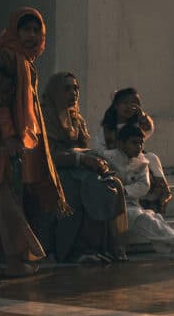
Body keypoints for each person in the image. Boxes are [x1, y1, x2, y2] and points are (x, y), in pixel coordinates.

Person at [0, 7, 70, 277]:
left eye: (37, 30)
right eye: (26, 30)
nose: (32, 36)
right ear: (15, 31)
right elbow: (0, 101)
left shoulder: (17, 57)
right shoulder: (9, 56)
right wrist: (10, 137)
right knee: (6, 201)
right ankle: (16, 259)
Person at [40, 72, 129, 263]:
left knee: (110, 184)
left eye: (76, 88)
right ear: (55, 92)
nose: (73, 93)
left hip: (76, 167)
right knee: (82, 187)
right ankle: (74, 250)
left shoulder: (76, 119)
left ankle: (103, 246)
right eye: (67, 89)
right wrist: (82, 159)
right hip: (51, 170)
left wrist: (92, 160)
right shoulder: (43, 117)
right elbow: (47, 155)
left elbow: (83, 147)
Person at [101, 124, 174, 256]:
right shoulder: (106, 158)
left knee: (154, 217)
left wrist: (125, 191)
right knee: (143, 218)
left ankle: (171, 249)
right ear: (121, 143)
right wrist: (120, 191)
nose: (139, 147)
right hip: (111, 204)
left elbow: (144, 186)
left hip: (131, 204)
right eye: (134, 143)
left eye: (141, 143)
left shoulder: (142, 161)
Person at [95, 88, 172, 214]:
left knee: (151, 157)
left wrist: (142, 117)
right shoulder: (107, 129)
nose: (129, 107)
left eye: (133, 104)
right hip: (115, 161)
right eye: (124, 103)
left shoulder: (136, 125)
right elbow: (99, 149)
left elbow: (148, 130)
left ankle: (162, 190)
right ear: (115, 106)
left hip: (135, 159)